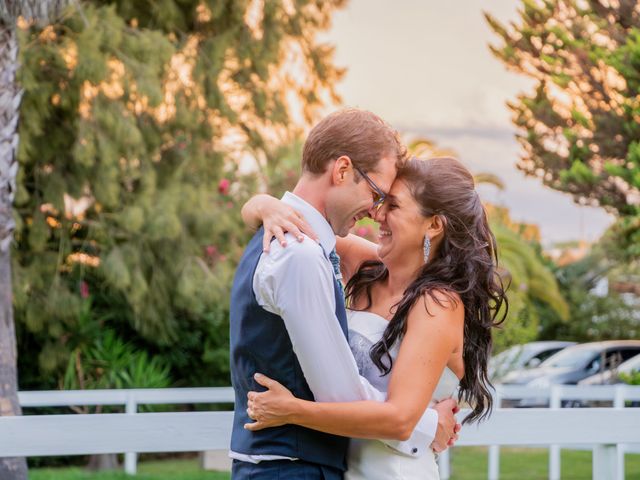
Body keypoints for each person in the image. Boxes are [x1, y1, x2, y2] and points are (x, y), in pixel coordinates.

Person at [241, 156, 508, 479]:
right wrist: (265, 206)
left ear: (434, 225)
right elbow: (298, 220)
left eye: (393, 206)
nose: (377, 214)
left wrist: (293, 412)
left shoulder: (437, 304)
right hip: (341, 468)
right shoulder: (369, 268)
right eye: (380, 201)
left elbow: (399, 420)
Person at [229, 109, 459, 480]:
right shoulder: (301, 253)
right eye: (377, 193)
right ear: (341, 170)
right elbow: (340, 395)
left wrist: (263, 203)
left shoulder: (312, 245)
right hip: (293, 469)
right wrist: (428, 424)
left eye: (390, 203)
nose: (375, 212)